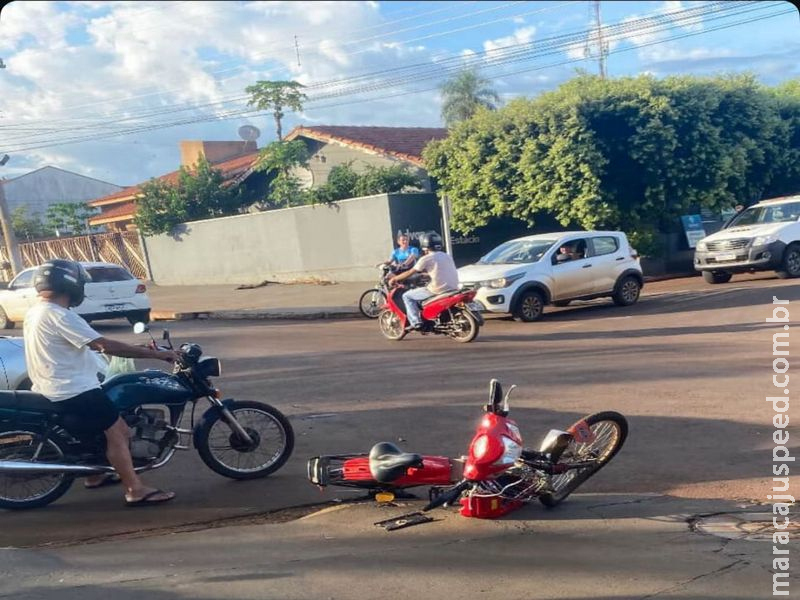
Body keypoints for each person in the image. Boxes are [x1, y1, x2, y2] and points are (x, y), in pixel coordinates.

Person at [23, 259, 181, 506]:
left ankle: (96, 475)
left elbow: (81, 345)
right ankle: (134, 489)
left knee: (97, 430)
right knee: (119, 430)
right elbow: (103, 344)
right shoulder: (60, 315)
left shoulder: (37, 311)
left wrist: (136, 348)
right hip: (72, 388)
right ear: (72, 285)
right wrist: (156, 354)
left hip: (54, 385)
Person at [389, 232, 459, 330]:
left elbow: (410, 272)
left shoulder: (426, 259)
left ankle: (415, 322)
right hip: (454, 287)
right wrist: (425, 275)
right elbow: (439, 270)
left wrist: (395, 278)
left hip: (437, 289)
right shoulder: (446, 255)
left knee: (407, 296)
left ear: (424, 245)